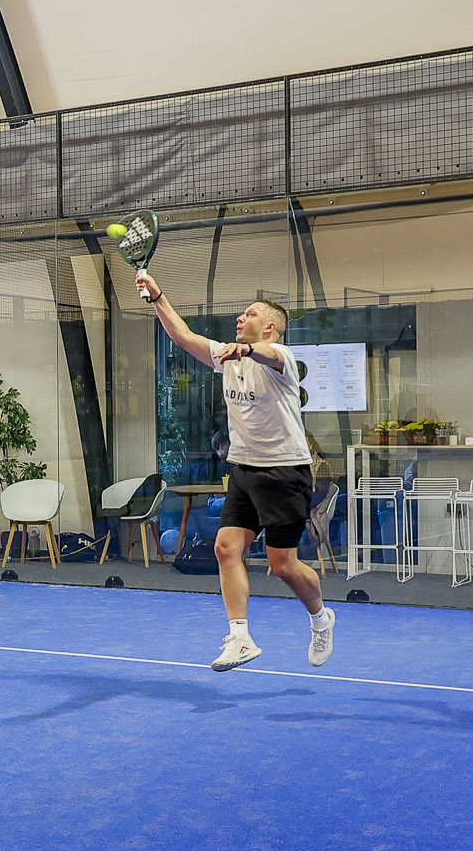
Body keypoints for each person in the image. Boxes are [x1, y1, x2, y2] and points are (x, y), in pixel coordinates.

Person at [133, 272, 335, 671]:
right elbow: (183, 336)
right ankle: (240, 638)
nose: (241, 318)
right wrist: (157, 295)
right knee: (226, 548)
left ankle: (320, 618)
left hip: (284, 473)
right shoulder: (227, 356)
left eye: (250, 314)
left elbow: (270, 356)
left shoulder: (283, 360)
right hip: (244, 470)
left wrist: (247, 351)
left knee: (283, 565)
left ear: (270, 327)